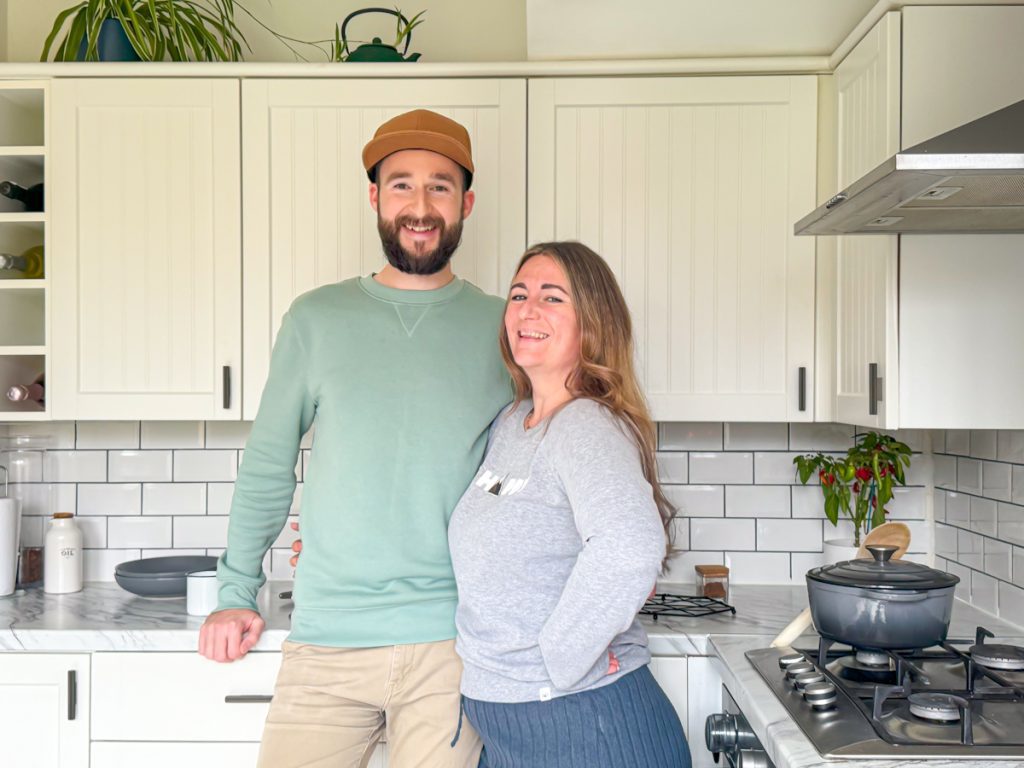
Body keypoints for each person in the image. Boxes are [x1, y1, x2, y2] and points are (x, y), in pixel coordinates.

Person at [197, 109, 511, 768]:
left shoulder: (503, 328)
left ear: (467, 203)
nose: (420, 206)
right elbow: (267, 465)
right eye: (401, 185)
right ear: (374, 197)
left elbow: (535, 473)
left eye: (440, 186)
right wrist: (234, 594)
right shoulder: (317, 318)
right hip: (326, 642)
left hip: (453, 646)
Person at [447, 241, 691, 767]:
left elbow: (630, 546)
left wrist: (559, 659)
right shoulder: (513, 423)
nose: (528, 310)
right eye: (519, 294)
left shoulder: (584, 424)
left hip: (585, 724)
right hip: (521, 725)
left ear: (592, 322)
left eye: (552, 298)